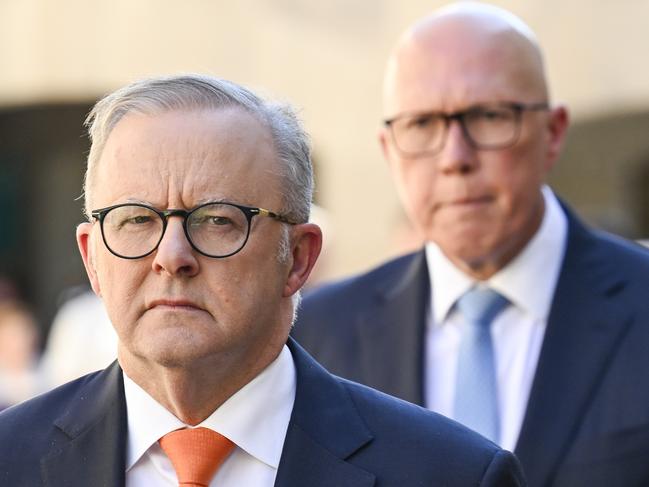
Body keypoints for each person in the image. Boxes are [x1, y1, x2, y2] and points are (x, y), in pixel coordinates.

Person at [0, 74, 525, 486]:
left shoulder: (448, 475)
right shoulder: (10, 460)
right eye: (137, 220)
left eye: (217, 219)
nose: (172, 256)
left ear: (298, 257)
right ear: (93, 259)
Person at [293, 3, 649, 487]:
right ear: (388, 150)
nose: (455, 157)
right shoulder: (318, 335)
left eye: (488, 116)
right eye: (421, 125)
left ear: (553, 133)